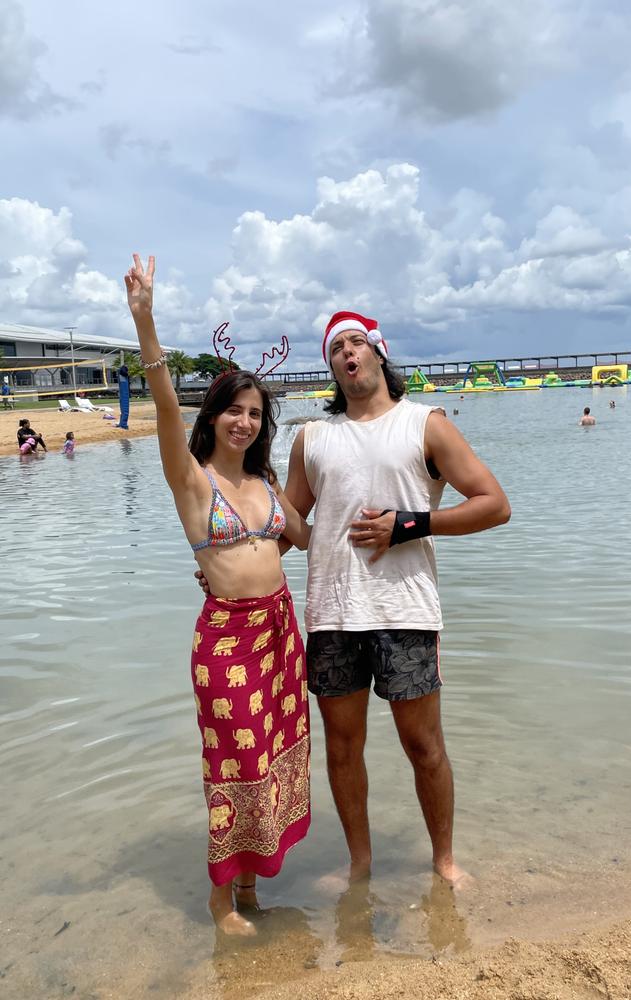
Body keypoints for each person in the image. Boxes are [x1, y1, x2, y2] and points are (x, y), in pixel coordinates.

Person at [197, 310, 511, 890]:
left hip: (405, 612)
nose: (348, 354)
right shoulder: (314, 437)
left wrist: (409, 526)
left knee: (424, 746)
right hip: (332, 616)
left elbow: (494, 504)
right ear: (332, 368)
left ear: (379, 354)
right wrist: (232, 567)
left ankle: (443, 860)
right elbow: (283, 524)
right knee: (343, 748)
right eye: (336, 348)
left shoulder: (426, 424)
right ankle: (359, 865)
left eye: (357, 343)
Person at [125, 254, 312, 937]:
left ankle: (254, 883)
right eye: (234, 409)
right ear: (216, 415)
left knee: (274, 756)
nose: (244, 421)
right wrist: (145, 322)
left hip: (279, 633)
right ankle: (220, 900)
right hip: (228, 638)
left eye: (256, 413)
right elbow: (167, 409)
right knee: (233, 759)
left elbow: (305, 536)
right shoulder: (194, 481)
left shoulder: (266, 485)